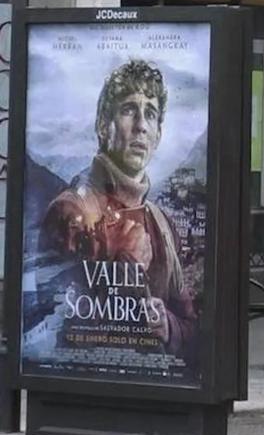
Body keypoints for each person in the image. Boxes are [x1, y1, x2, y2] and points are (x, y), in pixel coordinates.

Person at [40, 58, 197, 356]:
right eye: (128, 110)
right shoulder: (69, 212)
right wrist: (126, 264)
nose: (140, 126)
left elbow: (192, 326)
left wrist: (168, 327)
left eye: (150, 114)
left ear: (158, 135)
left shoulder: (162, 222)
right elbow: (59, 325)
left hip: (157, 391)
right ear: (103, 125)